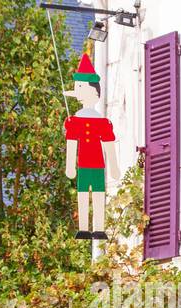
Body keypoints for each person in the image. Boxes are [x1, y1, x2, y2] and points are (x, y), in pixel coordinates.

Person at [63, 52, 118, 240]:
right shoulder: (75, 121)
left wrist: (114, 167)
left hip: (98, 164)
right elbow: (71, 143)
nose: (76, 92)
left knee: (99, 194)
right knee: (83, 195)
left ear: (94, 92)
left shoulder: (102, 122)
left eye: (79, 87)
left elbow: (109, 143)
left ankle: (99, 227)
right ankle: (84, 227)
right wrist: (70, 166)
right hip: (84, 164)